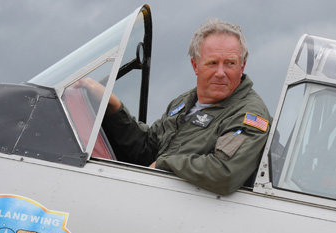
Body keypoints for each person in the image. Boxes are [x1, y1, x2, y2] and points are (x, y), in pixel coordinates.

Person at [96, 18, 271, 196]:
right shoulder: (184, 102)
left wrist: (166, 164)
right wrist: (115, 110)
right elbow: (148, 150)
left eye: (230, 63)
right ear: (195, 65)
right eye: (212, 63)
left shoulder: (250, 115)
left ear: (242, 66)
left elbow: (224, 172)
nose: (220, 73)